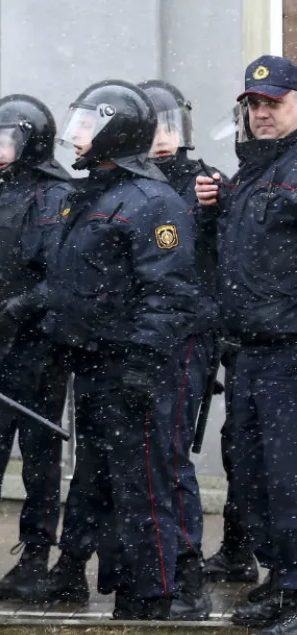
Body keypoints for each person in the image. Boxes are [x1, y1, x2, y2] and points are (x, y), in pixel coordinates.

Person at [40, 79, 197, 620]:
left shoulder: (152, 201)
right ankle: (128, 588)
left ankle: (152, 597)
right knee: (105, 481)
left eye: (88, 125)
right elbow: (80, 280)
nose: (78, 136)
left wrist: (142, 365)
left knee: (145, 486)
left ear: (116, 131)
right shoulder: (96, 194)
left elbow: (168, 293)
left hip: (135, 371)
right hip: (94, 365)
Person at [197, 55, 297, 635]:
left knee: (289, 476)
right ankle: (283, 583)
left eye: (274, 104)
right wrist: (215, 208)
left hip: (289, 349)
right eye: (254, 105)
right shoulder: (256, 169)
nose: (262, 113)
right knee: (257, 477)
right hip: (252, 349)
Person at [0, 94, 72, 600]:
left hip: (36, 352)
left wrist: (20, 307)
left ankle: (34, 558)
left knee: (39, 460)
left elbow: (62, 275)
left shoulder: (51, 195)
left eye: (8, 140)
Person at [138, 78, 220, 620]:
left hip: (183, 336)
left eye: (170, 126)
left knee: (169, 457)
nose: (164, 138)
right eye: (153, 127)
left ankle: (185, 570)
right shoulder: (128, 181)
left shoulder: (202, 181)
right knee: (137, 459)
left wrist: (214, 205)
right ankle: (144, 569)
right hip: (134, 341)